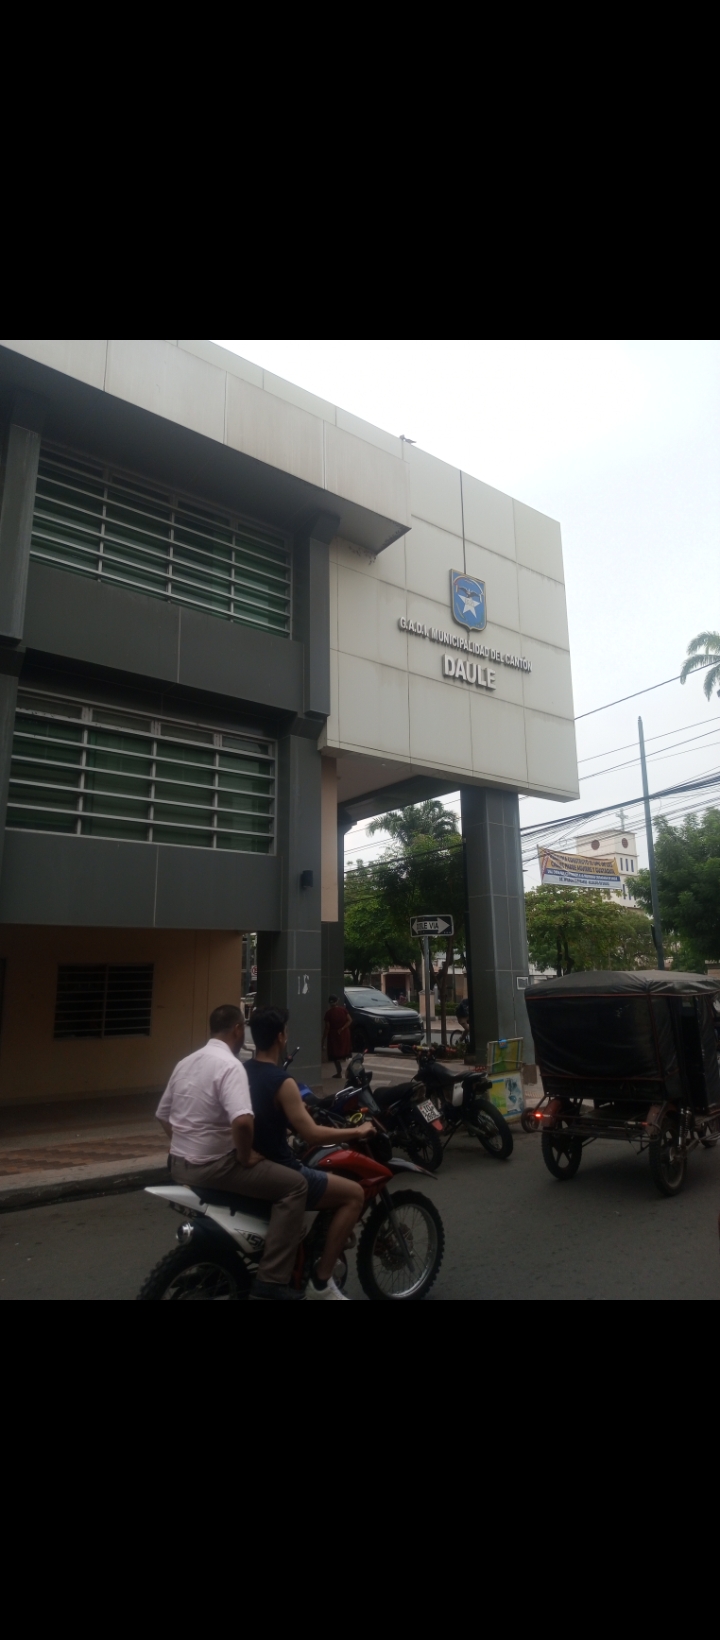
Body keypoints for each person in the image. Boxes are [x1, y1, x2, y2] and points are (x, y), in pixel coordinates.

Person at [156, 1003, 308, 1301]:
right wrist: (245, 1156)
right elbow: (242, 1121)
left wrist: (186, 1144)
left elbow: (163, 1115)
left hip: (179, 1165)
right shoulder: (230, 1065)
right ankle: (272, 1281)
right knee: (296, 1186)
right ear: (238, 1030)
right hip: (215, 1166)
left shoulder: (186, 1062)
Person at [248, 1005, 374, 1301]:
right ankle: (321, 1281)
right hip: (282, 1167)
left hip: (256, 1165)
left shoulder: (242, 1071)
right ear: (281, 1037)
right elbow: (313, 1135)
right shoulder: (282, 1081)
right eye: (286, 1031)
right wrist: (357, 1131)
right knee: (354, 1194)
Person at [322, 993, 352, 1078]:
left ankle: (339, 1072)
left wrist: (323, 1039)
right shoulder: (343, 1010)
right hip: (344, 1034)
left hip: (333, 1036)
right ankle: (348, 1071)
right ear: (337, 1001)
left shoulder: (328, 1013)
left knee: (335, 1055)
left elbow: (327, 1027)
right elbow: (350, 1020)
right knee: (345, 1053)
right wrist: (342, 1028)